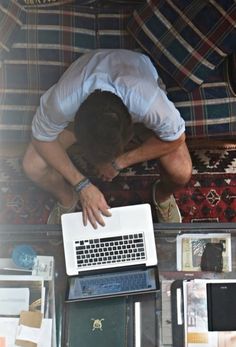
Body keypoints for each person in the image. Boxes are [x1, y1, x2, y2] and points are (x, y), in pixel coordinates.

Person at [23, 49, 192, 229]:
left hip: (134, 79)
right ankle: (67, 198)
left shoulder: (149, 102)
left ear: (131, 130)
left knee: (181, 171)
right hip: (88, 100)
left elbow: (177, 138)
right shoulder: (63, 102)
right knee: (32, 165)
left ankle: (162, 195)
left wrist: (119, 162)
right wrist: (82, 184)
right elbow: (41, 138)